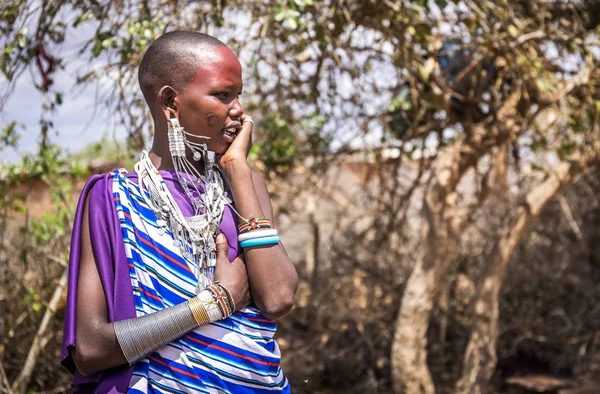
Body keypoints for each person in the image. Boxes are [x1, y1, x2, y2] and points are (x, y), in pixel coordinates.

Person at [61, 31, 298, 393]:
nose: (238, 110)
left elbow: (278, 297)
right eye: (223, 95)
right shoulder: (112, 198)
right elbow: (91, 350)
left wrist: (236, 169)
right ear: (171, 102)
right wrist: (211, 304)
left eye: (238, 95)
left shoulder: (245, 186)